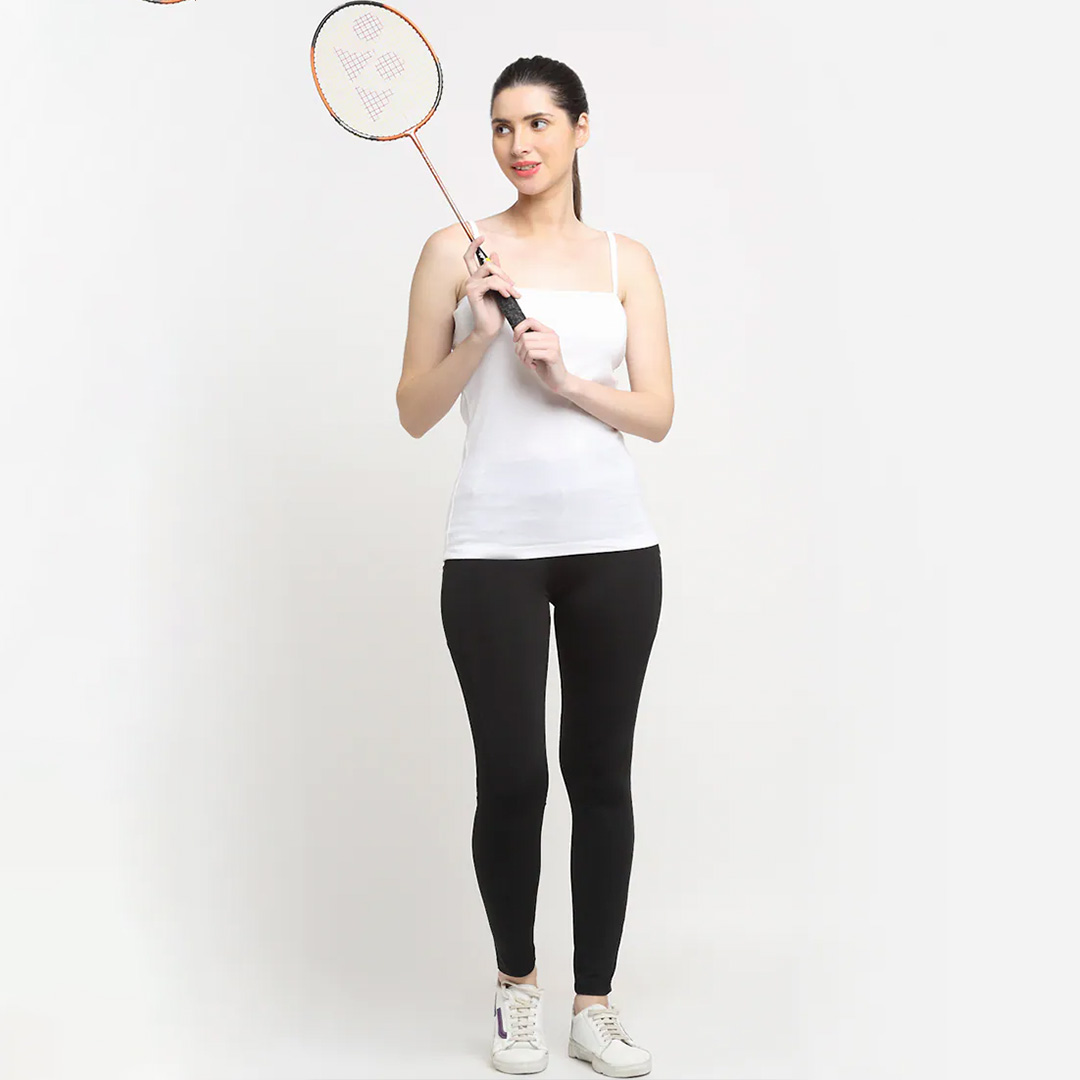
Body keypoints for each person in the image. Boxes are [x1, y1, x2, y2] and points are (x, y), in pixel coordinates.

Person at [396, 55, 673, 1077]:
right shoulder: (451, 250)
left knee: (599, 777)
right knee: (512, 778)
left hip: (614, 547)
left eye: (539, 124)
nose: (519, 145)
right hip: (493, 549)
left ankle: (594, 1006)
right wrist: (478, 332)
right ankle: (518, 987)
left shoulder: (625, 260)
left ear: (580, 129)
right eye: (503, 127)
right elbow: (413, 411)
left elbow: (658, 413)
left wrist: (570, 380)